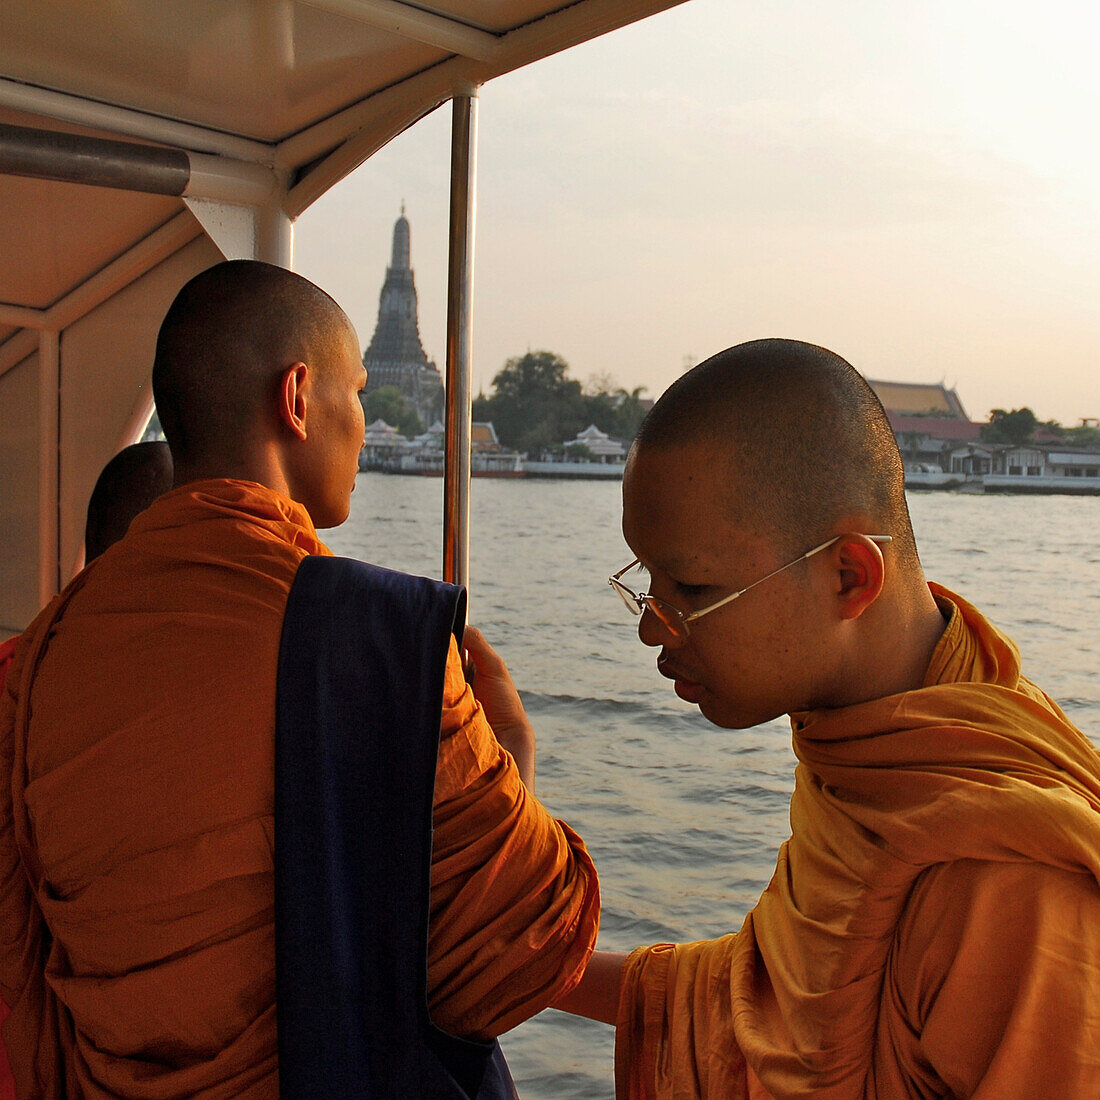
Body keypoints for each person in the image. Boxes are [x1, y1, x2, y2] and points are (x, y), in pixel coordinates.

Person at [0, 260, 598, 1096]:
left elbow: (24, 978)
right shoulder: (377, 637)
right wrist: (514, 757)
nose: (360, 422)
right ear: (296, 397)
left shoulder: (42, 654)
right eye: (353, 393)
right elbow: (522, 953)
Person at [523, 338, 1100, 1095]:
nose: (652, 627)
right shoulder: (877, 741)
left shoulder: (999, 880)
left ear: (849, 575)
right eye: (646, 580)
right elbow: (776, 997)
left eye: (691, 590)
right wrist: (520, 954)